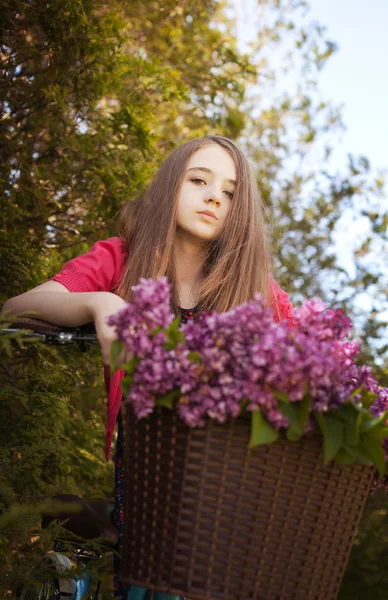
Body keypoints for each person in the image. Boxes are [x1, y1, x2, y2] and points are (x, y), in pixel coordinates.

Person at [2, 136, 295, 599]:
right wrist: (98, 302)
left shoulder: (256, 287)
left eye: (231, 192)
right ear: (168, 187)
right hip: (146, 474)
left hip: (231, 481)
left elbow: (313, 367)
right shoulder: (123, 257)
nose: (215, 196)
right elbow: (17, 307)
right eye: (199, 180)